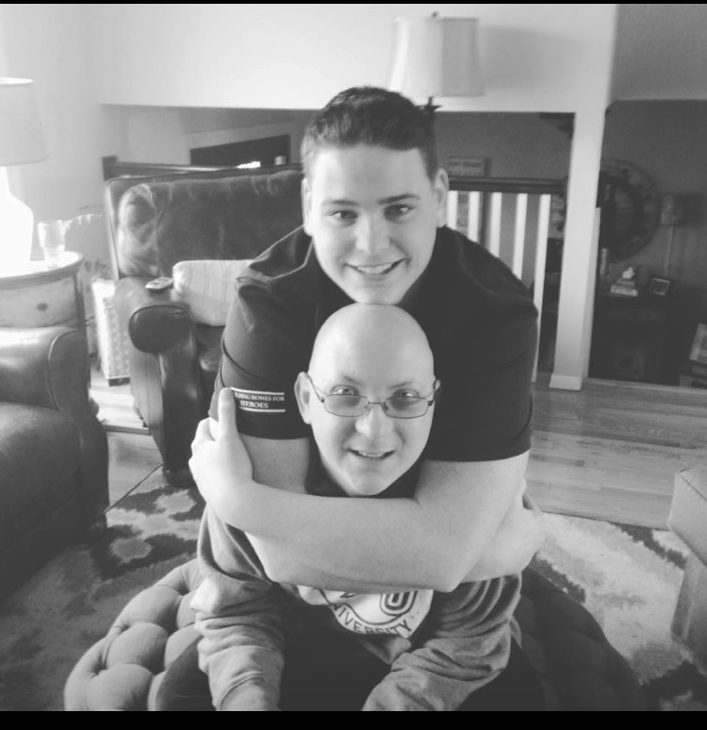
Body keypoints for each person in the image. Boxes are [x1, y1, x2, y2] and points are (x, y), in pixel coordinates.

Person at [188, 85, 544, 596]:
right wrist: (485, 555)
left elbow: (445, 556)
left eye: (398, 209)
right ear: (309, 207)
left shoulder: (496, 315)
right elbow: (279, 556)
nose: (372, 245)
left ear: (439, 197)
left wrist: (239, 501)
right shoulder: (267, 306)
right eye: (343, 213)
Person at [165, 304, 541, 711]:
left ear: (434, 400)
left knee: (518, 696)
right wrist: (250, 698)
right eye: (345, 395)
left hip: (426, 661)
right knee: (180, 695)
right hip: (292, 652)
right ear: (305, 399)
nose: (374, 429)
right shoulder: (254, 474)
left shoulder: (463, 499)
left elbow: (467, 643)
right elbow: (237, 612)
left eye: (405, 397)